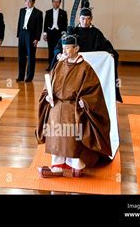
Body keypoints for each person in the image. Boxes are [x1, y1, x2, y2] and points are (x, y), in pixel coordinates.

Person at [36, 30, 112, 178]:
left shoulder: (85, 68)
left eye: (67, 47)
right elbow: (49, 84)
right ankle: (57, 165)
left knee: (72, 135)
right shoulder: (59, 65)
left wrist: (84, 102)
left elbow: (94, 91)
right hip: (56, 105)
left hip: (73, 107)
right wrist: (47, 95)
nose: (64, 50)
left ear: (76, 49)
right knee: (56, 132)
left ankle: (77, 165)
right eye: (63, 47)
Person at [51, 5, 123, 102]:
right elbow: (59, 46)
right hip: (75, 64)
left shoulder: (96, 33)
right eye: (83, 18)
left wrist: (110, 53)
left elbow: (106, 45)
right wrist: (59, 54)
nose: (85, 22)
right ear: (79, 18)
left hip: (92, 66)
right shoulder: (72, 33)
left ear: (91, 19)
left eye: (88, 19)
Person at [16, 0, 43, 82]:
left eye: (30, 1)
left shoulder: (38, 13)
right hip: (22, 34)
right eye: (26, 1)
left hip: (31, 36)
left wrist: (37, 38)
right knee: (21, 56)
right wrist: (19, 35)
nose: (27, 3)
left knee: (31, 56)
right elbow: (19, 22)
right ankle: (21, 76)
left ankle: (29, 77)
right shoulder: (22, 10)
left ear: (33, 2)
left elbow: (39, 27)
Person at [43, 0, 68, 71]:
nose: (55, 3)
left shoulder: (63, 13)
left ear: (60, 3)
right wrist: (45, 34)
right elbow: (45, 23)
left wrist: (64, 34)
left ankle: (57, 66)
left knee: (58, 50)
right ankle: (50, 65)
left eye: (57, 2)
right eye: (54, 2)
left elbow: (65, 24)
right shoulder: (48, 12)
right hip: (50, 33)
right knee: (50, 50)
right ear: (52, 3)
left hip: (59, 33)